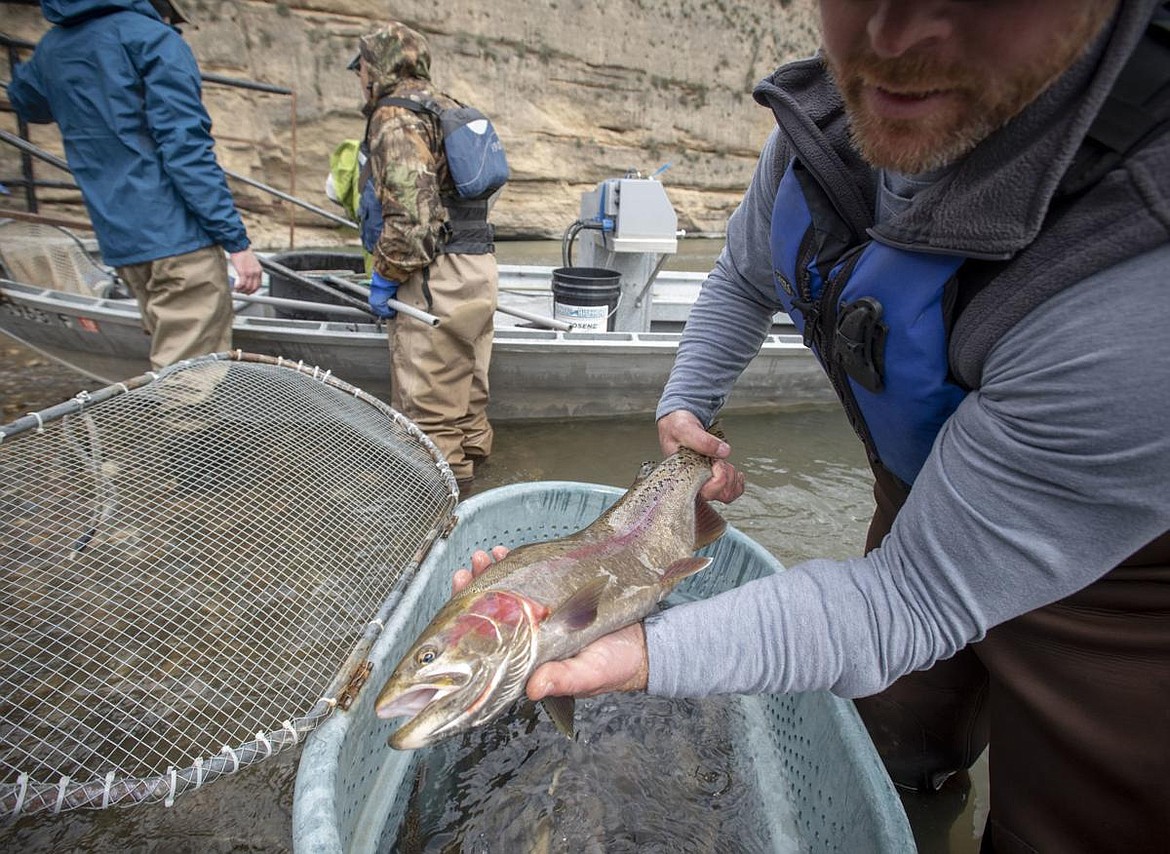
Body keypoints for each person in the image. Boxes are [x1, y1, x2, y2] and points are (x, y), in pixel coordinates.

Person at [458, 1, 1170, 850]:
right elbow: (741, 277)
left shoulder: (1136, 278)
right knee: (896, 736)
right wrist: (687, 406)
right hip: (920, 503)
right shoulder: (824, 134)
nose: (896, 38)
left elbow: (910, 599)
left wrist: (646, 651)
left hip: (1120, 585)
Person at [7, 0, 262, 370]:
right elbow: (186, 150)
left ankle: (159, 419)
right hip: (178, 236)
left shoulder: (51, 48)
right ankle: (168, 427)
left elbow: (26, 102)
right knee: (191, 380)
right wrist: (236, 243)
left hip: (122, 239)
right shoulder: (152, 39)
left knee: (168, 358)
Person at [350, 22, 498, 496]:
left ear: (377, 67)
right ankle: (482, 497)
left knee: (426, 420)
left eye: (362, 69)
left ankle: (438, 524)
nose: (360, 79)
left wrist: (385, 275)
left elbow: (414, 225)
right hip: (478, 270)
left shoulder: (395, 116)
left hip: (434, 278)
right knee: (469, 404)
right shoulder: (448, 106)